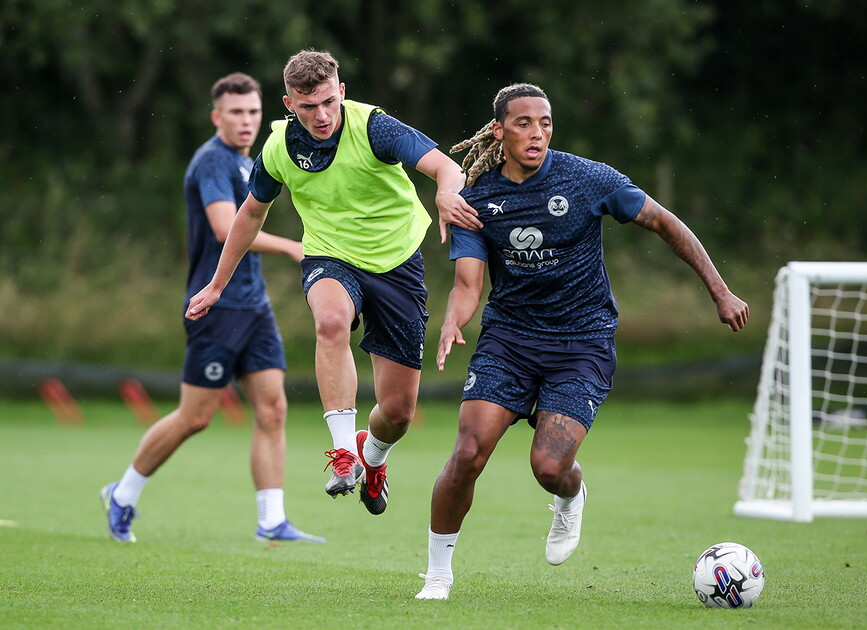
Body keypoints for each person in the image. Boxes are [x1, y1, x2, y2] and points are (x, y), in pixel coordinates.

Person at [414, 83, 750, 600]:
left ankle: (570, 496)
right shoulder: (477, 198)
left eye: (545, 122)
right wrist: (454, 321)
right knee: (469, 451)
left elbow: (664, 222)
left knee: (548, 468)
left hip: (582, 343)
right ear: (499, 130)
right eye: (524, 123)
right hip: (510, 342)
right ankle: (437, 574)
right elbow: (467, 284)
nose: (537, 133)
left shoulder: (587, 179)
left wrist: (720, 290)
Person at [186, 50, 482, 517]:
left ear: (341, 92)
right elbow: (250, 215)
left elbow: (447, 167)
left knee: (399, 413)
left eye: (327, 102)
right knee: (330, 321)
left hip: (396, 264)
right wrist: (217, 285)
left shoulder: (375, 128)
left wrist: (447, 191)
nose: (321, 115)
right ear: (289, 104)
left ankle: (372, 455)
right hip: (330, 256)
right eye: (307, 107)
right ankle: (344, 454)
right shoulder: (280, 148)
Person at [100, 72, 323, 544]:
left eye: (253, 112)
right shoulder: (211, 163)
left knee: (273, 410)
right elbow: (226, 229)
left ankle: (271, 521)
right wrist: (292, 247)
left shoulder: (253, 161)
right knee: (195, 417)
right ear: (216, 117)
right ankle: (122, 494)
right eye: (236, 113)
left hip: (254, 307)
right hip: (214, 307)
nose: (246, 121)